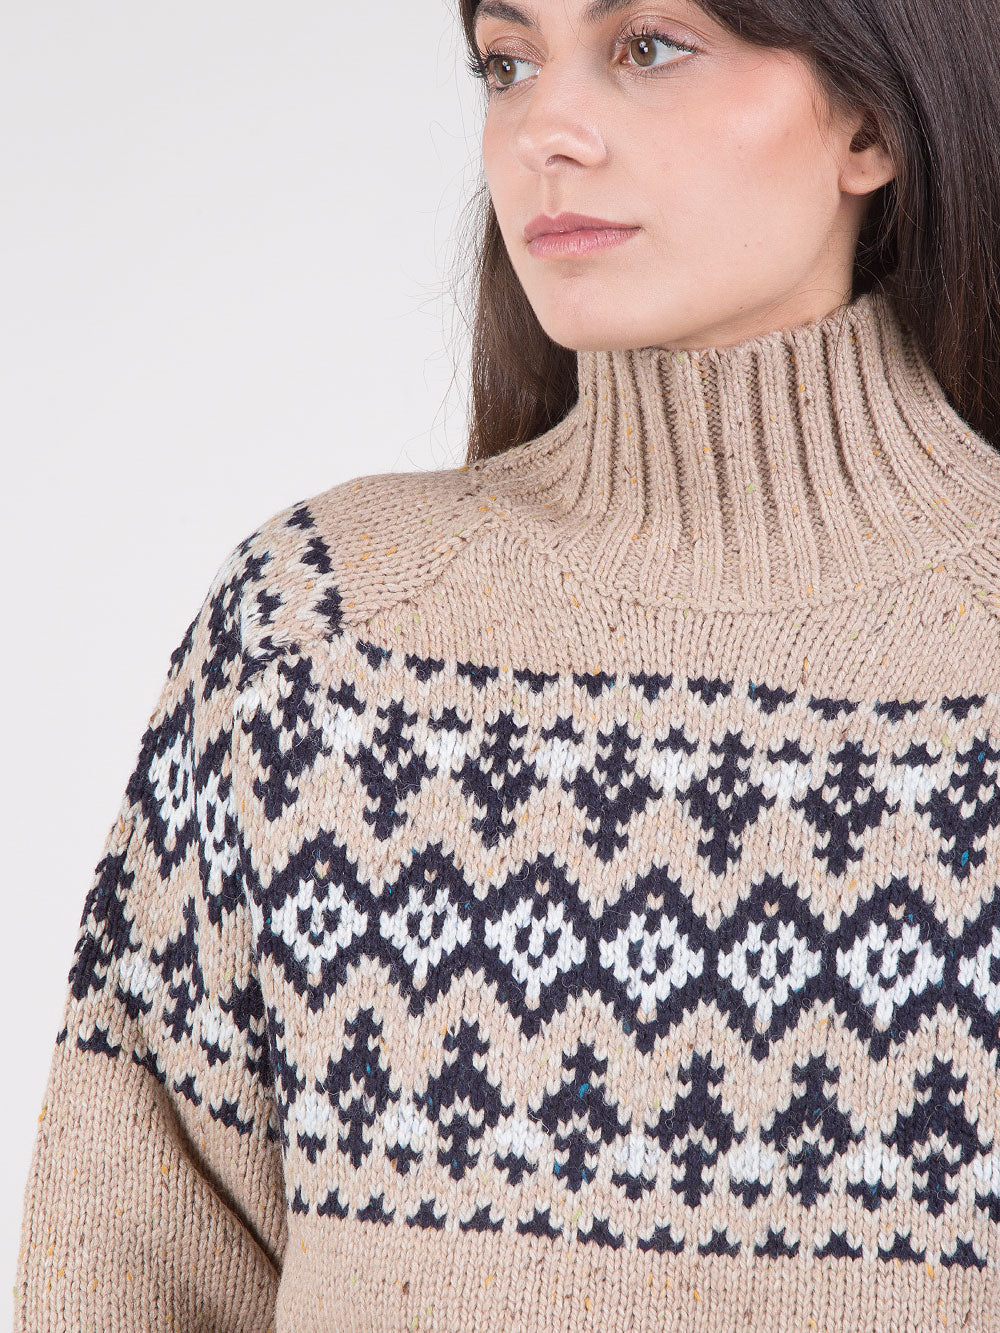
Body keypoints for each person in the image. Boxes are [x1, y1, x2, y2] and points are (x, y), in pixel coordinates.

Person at [13, 0, 1000, 1328]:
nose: (546, 130)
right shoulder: (322, 634)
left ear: (871, 122)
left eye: (649, 47)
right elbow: (120, 1270)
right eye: (509, 63)